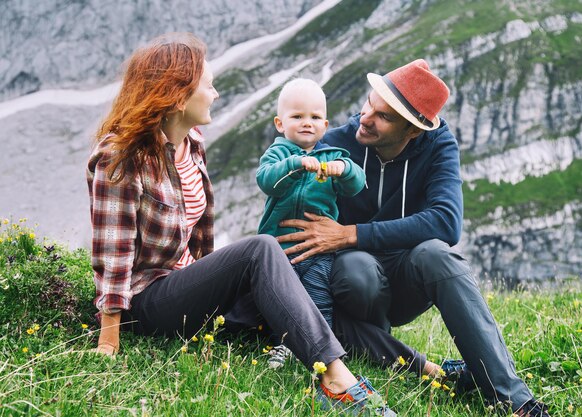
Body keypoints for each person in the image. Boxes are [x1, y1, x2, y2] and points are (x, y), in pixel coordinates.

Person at [86, 32, 395, 416]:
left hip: (187, 287)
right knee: (261, 249)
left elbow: (199, 238)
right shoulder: (120, 157)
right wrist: (110, 338)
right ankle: (336, 380)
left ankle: (422, 366)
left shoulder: (190, 143)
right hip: (147, 301)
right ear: (177, 95)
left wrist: (213, 283)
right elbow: (112, 252)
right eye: (209, 85)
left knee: (302, 296)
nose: (215, 94)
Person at [277, 59, 550, 416]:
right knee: (357, 267)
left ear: (413, 131)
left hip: (405, 275)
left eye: (384, 117)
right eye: (368, 104)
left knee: (438, 254)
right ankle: (384, 357)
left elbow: (447, 222)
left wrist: (352, 234)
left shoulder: (437, 146)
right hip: (348, 281)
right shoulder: (336, 143)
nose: (366, 118)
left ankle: (515, 402)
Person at [256, 78, 365, 368]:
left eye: (315, 117)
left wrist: (344, 170)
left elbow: (357, 184)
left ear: (325, 125)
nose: (307, 123)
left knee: (318, 297)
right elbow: (267, 181)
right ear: (280, 124)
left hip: (319, 250)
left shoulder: (333, 157)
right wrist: (294, 165)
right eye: (298, 117)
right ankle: (281, 345)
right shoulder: (279, 154)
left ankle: (320, 350)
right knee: (281, 298)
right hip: (280, 249)